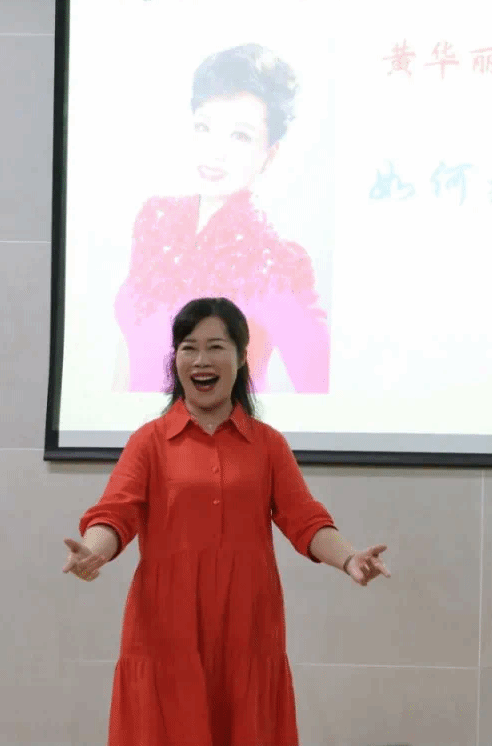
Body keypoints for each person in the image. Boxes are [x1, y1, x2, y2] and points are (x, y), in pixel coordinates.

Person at [66, 296, 389, 746]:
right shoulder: (149, 442)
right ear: (175, 360)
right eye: (188, 347)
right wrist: (93, 552)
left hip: (248, 624)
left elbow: (306, 519)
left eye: (215, 347)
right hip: (166, 625)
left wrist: (349, 558)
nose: (201, 360)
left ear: (240, 358)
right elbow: (115, 513)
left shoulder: (268, 445)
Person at [114, 43, 331, 395]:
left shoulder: (277, 262)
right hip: (135, 428)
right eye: (204, 127)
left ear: (269, 154)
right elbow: (129, 349)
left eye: (240, 135)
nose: (215, 151)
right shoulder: (155, 220)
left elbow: (320, 386)